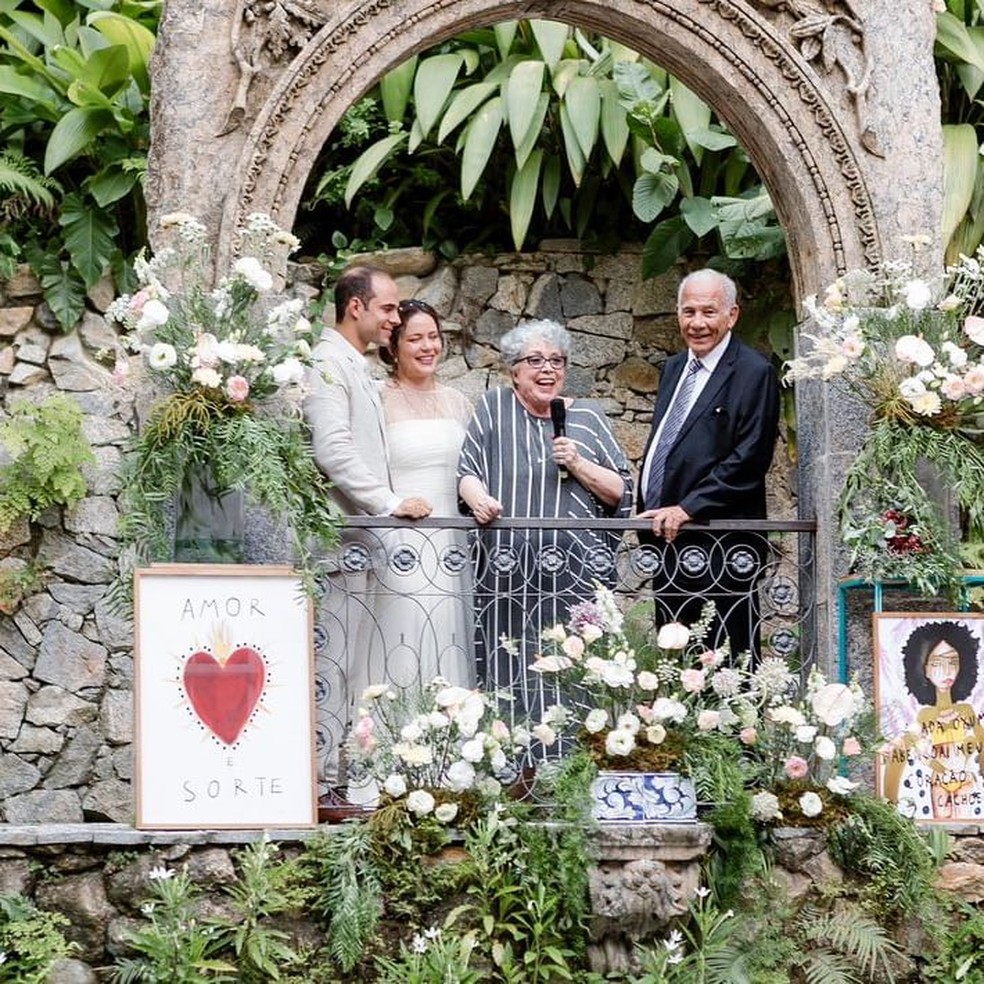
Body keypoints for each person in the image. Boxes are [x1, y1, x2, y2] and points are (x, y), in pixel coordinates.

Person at [457, 319, 633, 742]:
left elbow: (621, 492)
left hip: (576, 580)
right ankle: (512, 769)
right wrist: (479, 498)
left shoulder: (588, 417)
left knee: (575, 668)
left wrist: (578, 464)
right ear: (513, 369)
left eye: (556, 361)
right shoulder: (493, 408)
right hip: (507, 577)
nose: (547, 369)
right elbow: (467, 472)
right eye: (534, 360)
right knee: (509, 670)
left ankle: (574, 765)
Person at [303, 265, 432, 799]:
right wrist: (389, 503)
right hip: (337, 546)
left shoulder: (352, 365)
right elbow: (332, 450)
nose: (395, 318)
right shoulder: (326, 363)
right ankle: (313, 789)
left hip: (359, 547)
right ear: (355, 306)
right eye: (387, 308)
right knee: (329, 671)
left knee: (351, 670)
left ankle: (334, 784)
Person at [638, 268, 780, 663]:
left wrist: (688, 508)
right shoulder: (672, 369)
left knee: (726, 667)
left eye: (708, 312)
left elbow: (751, 458)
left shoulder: (754, 372)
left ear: (732, 315)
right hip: (668, 544)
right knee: (675, 670)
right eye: (688, 312)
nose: (697, 323)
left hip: (722, 549)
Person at [369, 298, 475, 690]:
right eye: (415, 338)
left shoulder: (458, 402)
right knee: (400, 633)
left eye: (434, 337)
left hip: (451, 541)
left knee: (448, 636)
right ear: (393, 346)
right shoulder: (376, 398)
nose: (428, 346)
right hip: (400, 537)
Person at [883, 619, 984, 821]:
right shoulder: (924, 716)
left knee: (965, 824)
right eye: (937, 663)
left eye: (953, 662)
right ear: (924, 669)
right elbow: (902, 752)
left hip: (965, 780)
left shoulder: (966, 711)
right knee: (941, 827)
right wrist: (890, 800)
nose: (946, 671)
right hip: (939, 780)